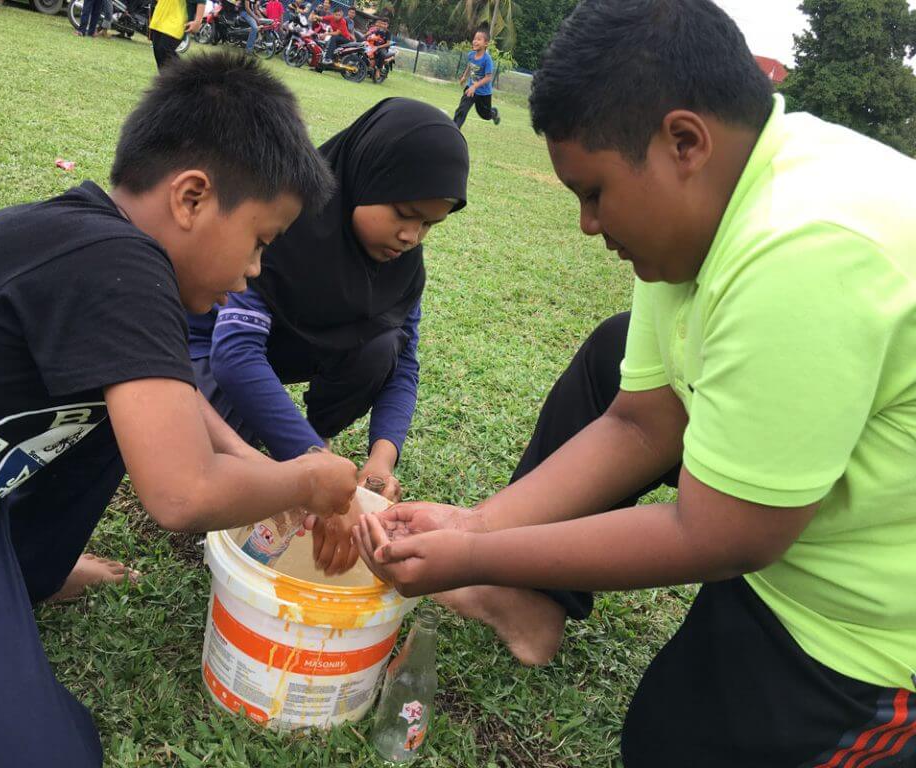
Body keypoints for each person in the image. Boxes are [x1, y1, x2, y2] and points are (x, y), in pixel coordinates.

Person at [354, 1, 916, 766]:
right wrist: (477, 527)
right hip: (794, 536)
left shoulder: (809, 251)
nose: (588, 226)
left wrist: (478, 560)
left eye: (595, 194)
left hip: (874, 621)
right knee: (614, 353)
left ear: (685, 142)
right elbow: (641, 423)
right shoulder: (708, 206)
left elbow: (721, 535)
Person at [0, 52, 358, 767]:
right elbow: (182, 493)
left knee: (128, 413)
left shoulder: (98, 245)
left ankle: (25, 574)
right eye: (259, 242)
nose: (253, 272)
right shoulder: (124, 266)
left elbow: (169, 400)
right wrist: (310, 479)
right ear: (191, 198)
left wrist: (258, 463)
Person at [188, 98, 469, 577]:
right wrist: (313, 467)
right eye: (405, 213)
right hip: (209, 346)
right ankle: (301, 445)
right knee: (209, 475)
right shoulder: (286, 223)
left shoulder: (403, 267)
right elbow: (234, 355)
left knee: (384, 345)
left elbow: (403, 363)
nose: (412, 236)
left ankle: (311, 435)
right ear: (367, 175)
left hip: (284, 349)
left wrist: (380, 461)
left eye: (428, 224)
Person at [453, 26, 500, 129]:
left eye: (479, 39)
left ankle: (493, 113)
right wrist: (464, 76)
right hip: (470, 90)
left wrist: (475, 86)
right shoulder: (471, 55)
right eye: (474, 39)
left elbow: (488, 78)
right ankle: (454, 130)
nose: (475, 41)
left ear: (486, 43)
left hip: (484, 93)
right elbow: (470, 65)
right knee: (462, 110)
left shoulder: (487, 60)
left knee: (485, 115)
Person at [148, 0, 204, 68]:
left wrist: (198, 21)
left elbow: (202, 1)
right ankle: (166, 75)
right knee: (158, 52)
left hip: (178, 19)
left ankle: (186, 73)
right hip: (160, 16)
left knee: (165, 50)